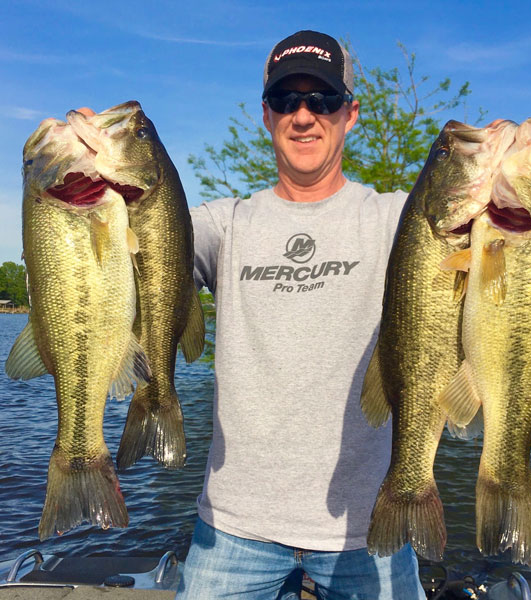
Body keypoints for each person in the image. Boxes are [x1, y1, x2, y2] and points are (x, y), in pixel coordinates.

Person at [176, 30, 426, 600]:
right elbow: (139, 249)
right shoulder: (224, 223)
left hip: (372, 523)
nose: (304, 115)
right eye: (287, 100)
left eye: (323, 99)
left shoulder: (398, 219)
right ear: (267, 115)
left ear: (350, 114)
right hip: (233, 527)